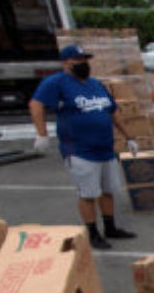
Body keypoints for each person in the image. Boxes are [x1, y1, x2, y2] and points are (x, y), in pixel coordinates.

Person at [29, 44, 138, 250]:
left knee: (108, 190)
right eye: (78, 60)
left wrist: (129, 137)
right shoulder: (57, 82)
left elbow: (113, 111)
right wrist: (42, 134)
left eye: (85, 60)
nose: (83, 64)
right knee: (88, 193)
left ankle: (110, 227)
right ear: (66, 62)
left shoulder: (96, 84)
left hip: (105, 147)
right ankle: (92, 232)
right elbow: (36, 104)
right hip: (80, 150)